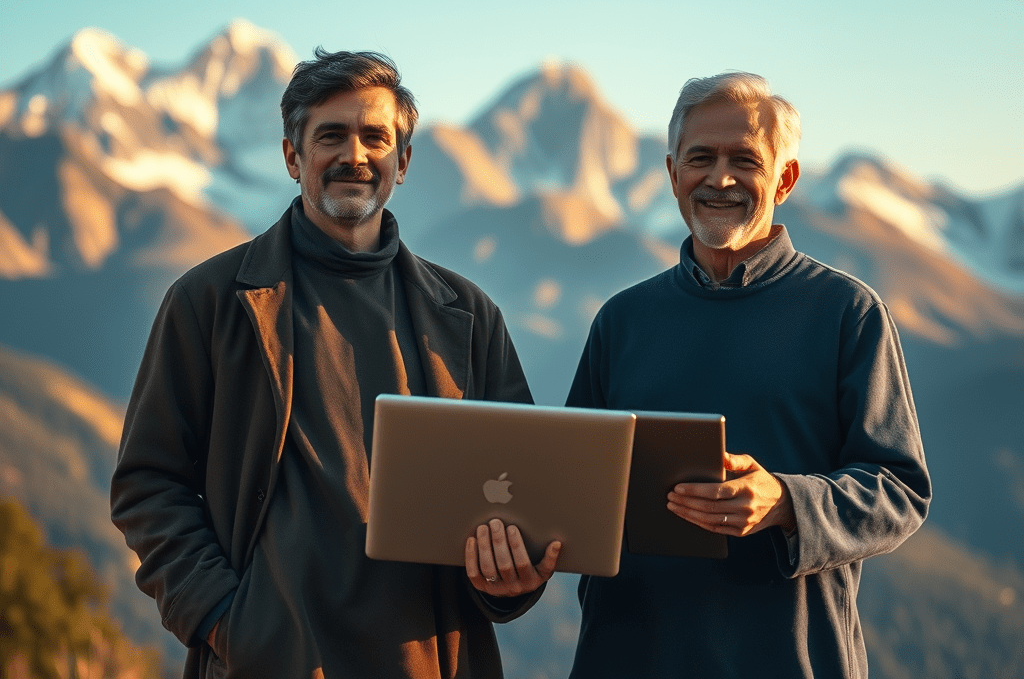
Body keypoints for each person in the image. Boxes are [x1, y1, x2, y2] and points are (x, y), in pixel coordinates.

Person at [110, 49, 559, 679]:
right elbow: (148, 483)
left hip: (432, 662)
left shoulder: (469, 315)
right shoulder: (209, 302)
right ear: (293, 157)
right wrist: (227, 623)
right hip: (270, 664)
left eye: (376, 137)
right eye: (331, 136)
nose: (355, 154)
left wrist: (509, 580)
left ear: (403, 162)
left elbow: (524, 496)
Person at [564, 72, 930, 678]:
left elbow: (900, 491)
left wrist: (787, 501)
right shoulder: (621, 320)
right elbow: (570, 486)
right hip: (627, 657)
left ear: (784, 179)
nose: (720, 178)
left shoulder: (849, 313)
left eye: (745, 160)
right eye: (700, 158)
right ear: (673, 174)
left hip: (790, 660)